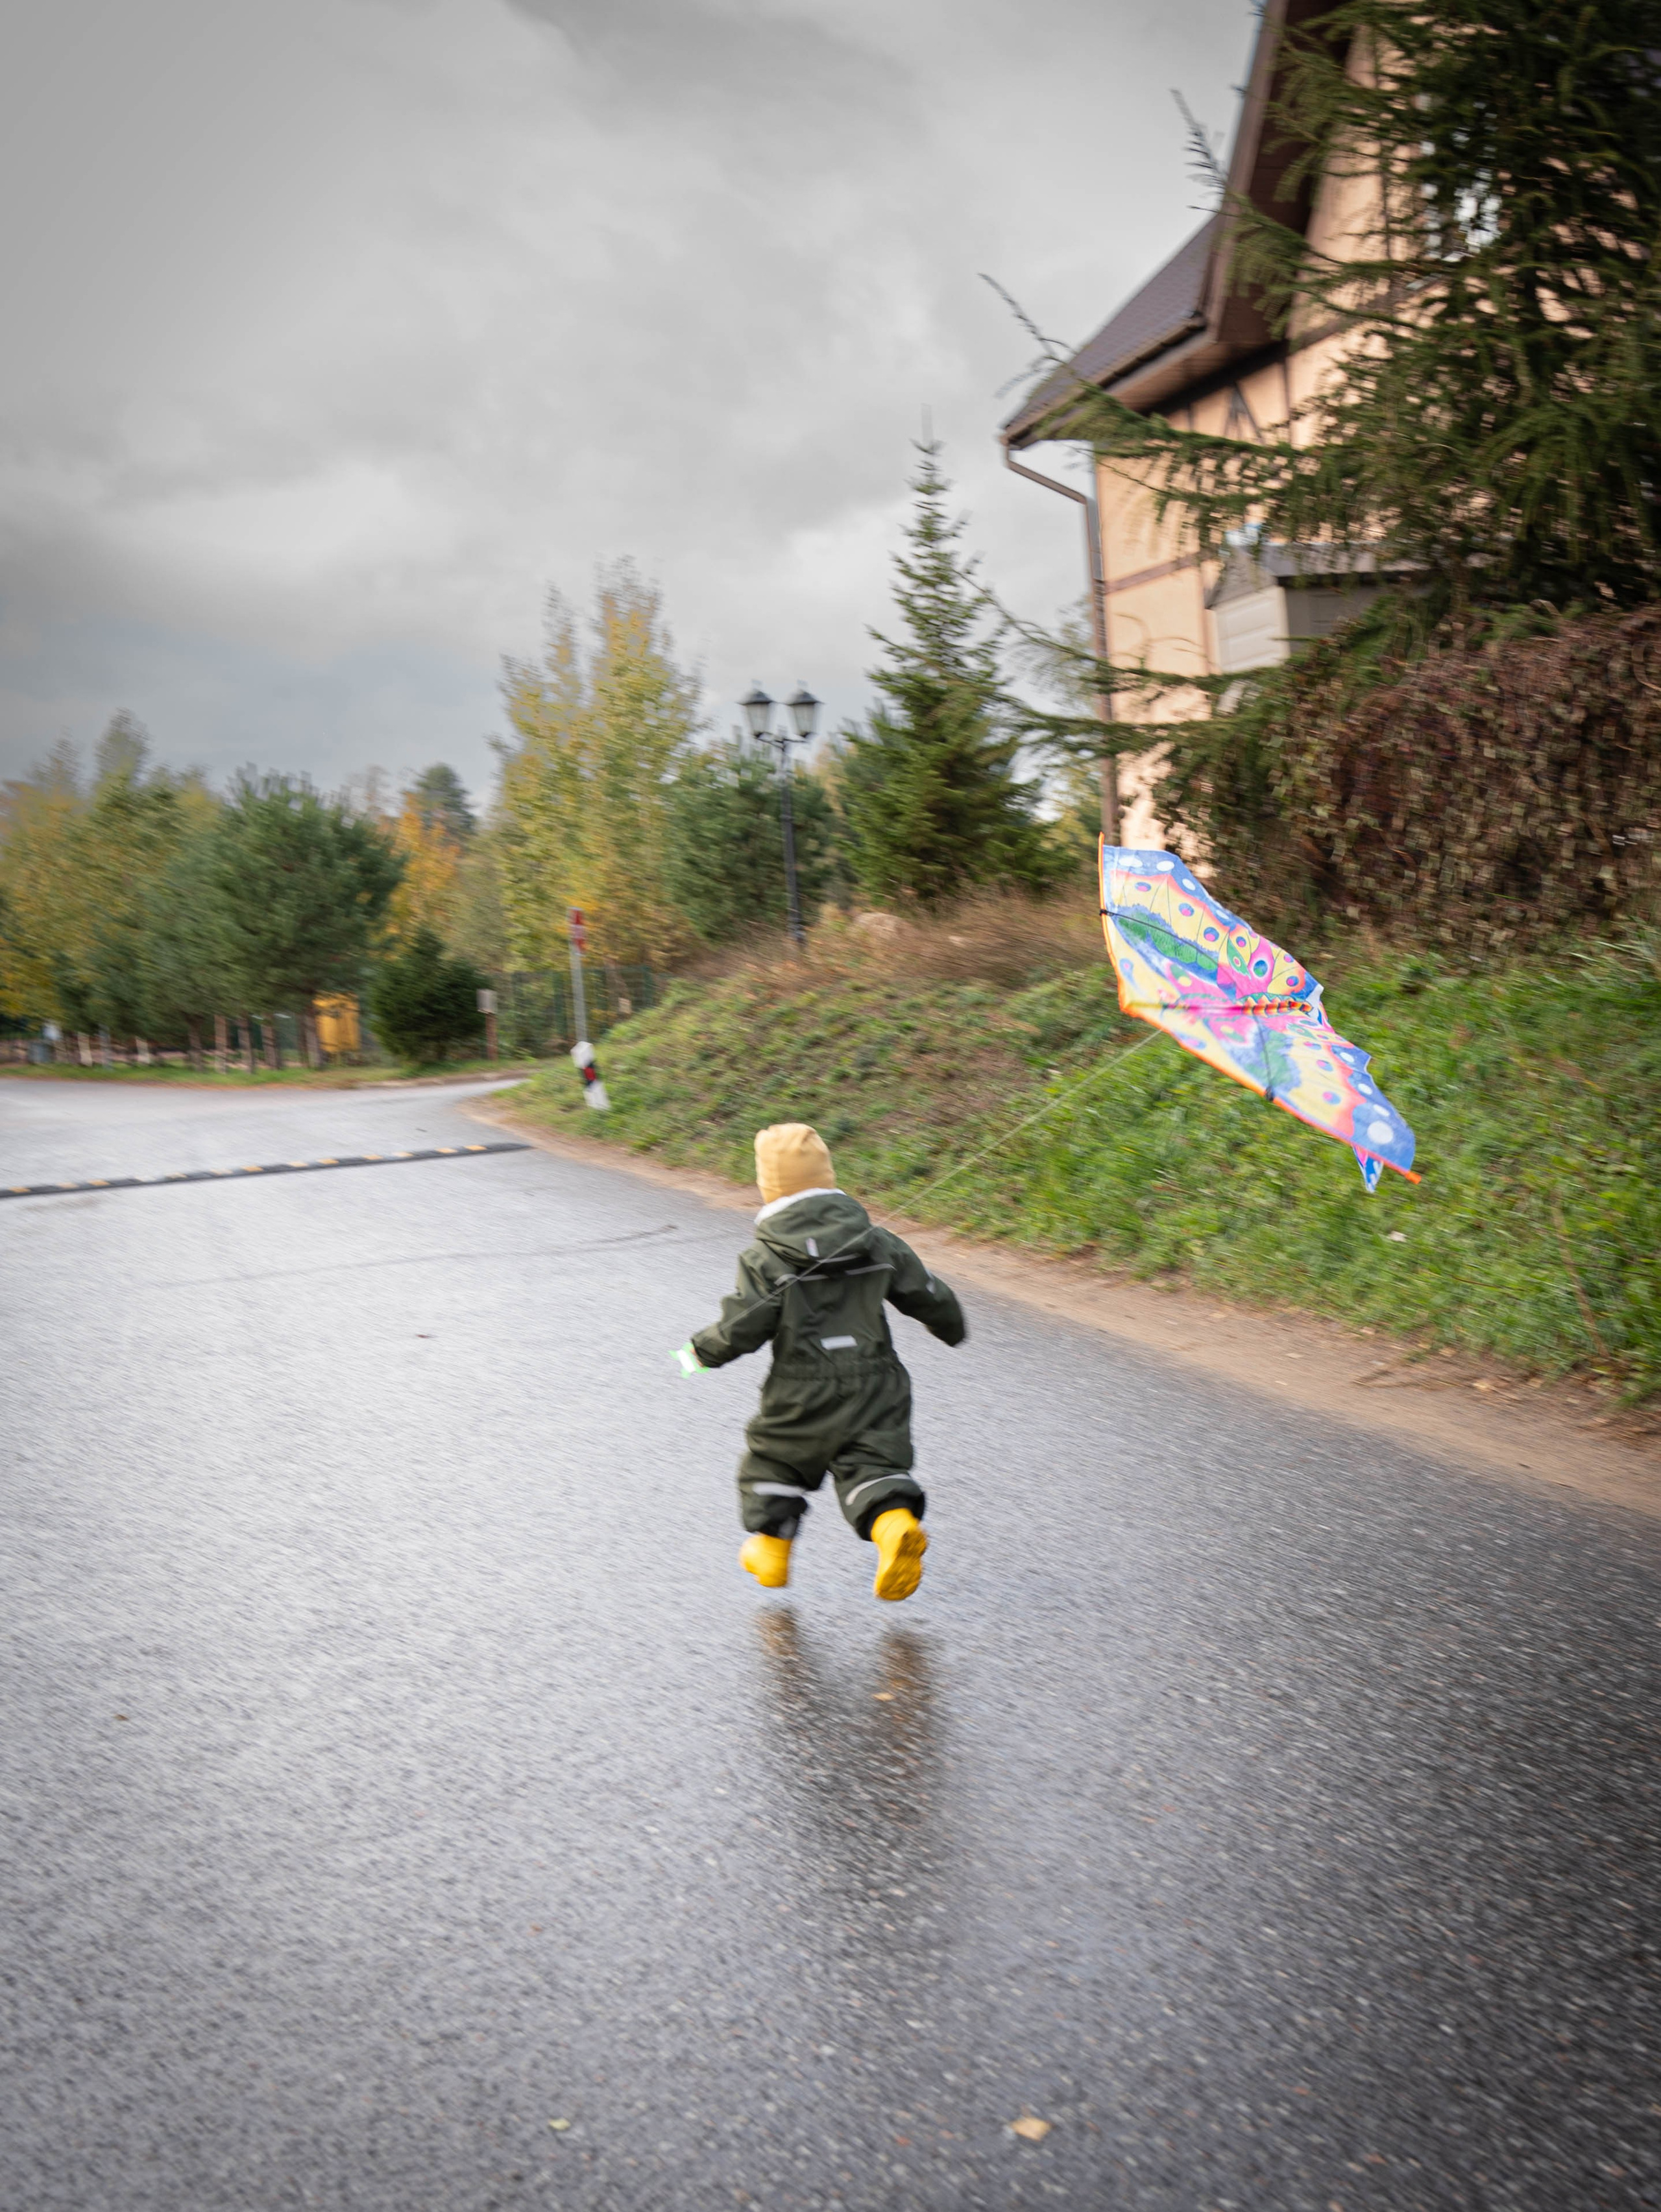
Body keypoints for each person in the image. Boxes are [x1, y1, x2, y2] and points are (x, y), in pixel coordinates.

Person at [676, 1122, 966, 1602]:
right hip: (877, 1379)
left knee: (773, 1463)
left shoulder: (765, 1255)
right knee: (873, 1465)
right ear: (829, 1178)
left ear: (769, 1189)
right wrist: (951, 1326)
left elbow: (742, 1324)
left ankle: (771, 1554)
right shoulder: (876, 1240)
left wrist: (696, 1355)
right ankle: (893, 1527)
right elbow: (925, 1291)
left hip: (800, 1386)